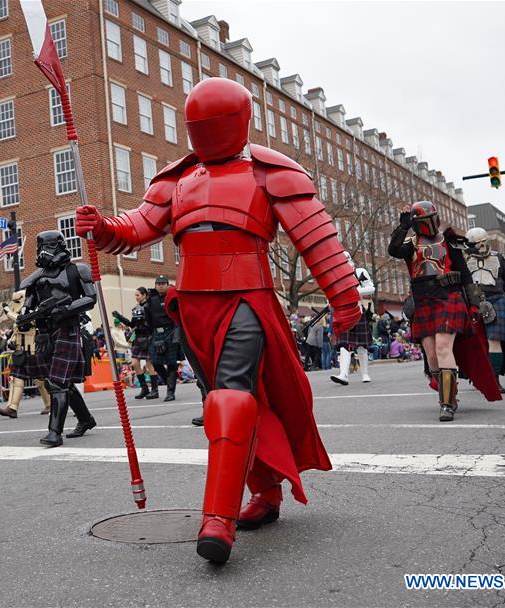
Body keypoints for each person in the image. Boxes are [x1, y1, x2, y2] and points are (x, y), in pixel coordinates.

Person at [76, 77, 362, 564]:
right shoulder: (177, 179)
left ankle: (218, 519)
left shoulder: (272, 172)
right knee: (220, 402)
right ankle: (264, 492)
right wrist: (102, 227)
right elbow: (140, 226)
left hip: (247, 298)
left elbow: (317, 238)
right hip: (192, 305)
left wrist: (344, 297)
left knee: (231, 396)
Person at [388, 201, 501, 421]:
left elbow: (465, 274)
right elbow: (393, 249)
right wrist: (402, 227)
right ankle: (451, 393)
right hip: (423, 301)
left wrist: (479, 302)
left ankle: (446, 404)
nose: (430, 224)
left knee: (442, 347)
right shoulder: (411, 244)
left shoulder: (449, 241)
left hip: (449, 297)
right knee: (431, 356)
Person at [17, 231, 98, 447]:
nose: (43, 251)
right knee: (65, 383)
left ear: (59, 245)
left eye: (48, 245)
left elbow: (91, 298)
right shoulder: (37, 277)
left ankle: (54, 432)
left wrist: (67, 309)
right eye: (40, 246)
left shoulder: (77, 270)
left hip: (68, 329)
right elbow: (29, 302)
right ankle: (86, 419)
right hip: (44, 332)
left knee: (57, 383)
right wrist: (24, 317)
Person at [465, 227, 505, 392]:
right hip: (473, 304)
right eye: (477, 243)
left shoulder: (499, 258)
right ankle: (477, 376)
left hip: (497, 301)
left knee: (494, 340)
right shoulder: (463, 260)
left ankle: (494, 380)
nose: (481, 245)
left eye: (484, 241)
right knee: (474, 343)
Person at [0, 290, 53, 418]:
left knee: (41, 379)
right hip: (21, 348)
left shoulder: (34, 309)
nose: (16, 303)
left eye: (18, 300)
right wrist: (11, 341)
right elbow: (18, 329)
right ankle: (12, 407)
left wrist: (8, 312)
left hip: (34, 348)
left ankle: (51, 404)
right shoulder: (18, 312)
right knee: (16, 377)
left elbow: (25, 321)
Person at [330, 256, 376, 385]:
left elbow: (371, 288)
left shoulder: (359, 272)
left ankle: (365, 373)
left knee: (362, 345)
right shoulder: (337, 276)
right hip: (344, 312)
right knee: (344, 343)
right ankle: (343, 374)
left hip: (359, 310)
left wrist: (355, 291)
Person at [112, 287, 159, 399]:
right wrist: (120, 317)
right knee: (134, 363)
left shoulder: (150, 306)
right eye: (135, 295)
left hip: (149, 336)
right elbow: (132, 325)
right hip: (138, 338)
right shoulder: (136, 309)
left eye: (138, 295)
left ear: (144, 295)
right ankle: (144, 389)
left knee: (149, 364)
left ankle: (155, 390)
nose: (136, 297)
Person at [144, 276, 183, 402]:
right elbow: (148, 318)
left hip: (170, 332)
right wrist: (151, 333)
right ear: (155, 285)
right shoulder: (151, 300)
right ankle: (169, 382)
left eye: (163, 283)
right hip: (156, 333)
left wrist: (177, 332)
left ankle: (170, 392)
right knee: (155, 361)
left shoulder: (172, 298)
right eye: (158, 284)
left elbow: (178, 314)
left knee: (171, 363)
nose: (160, 286)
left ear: (167, 285)